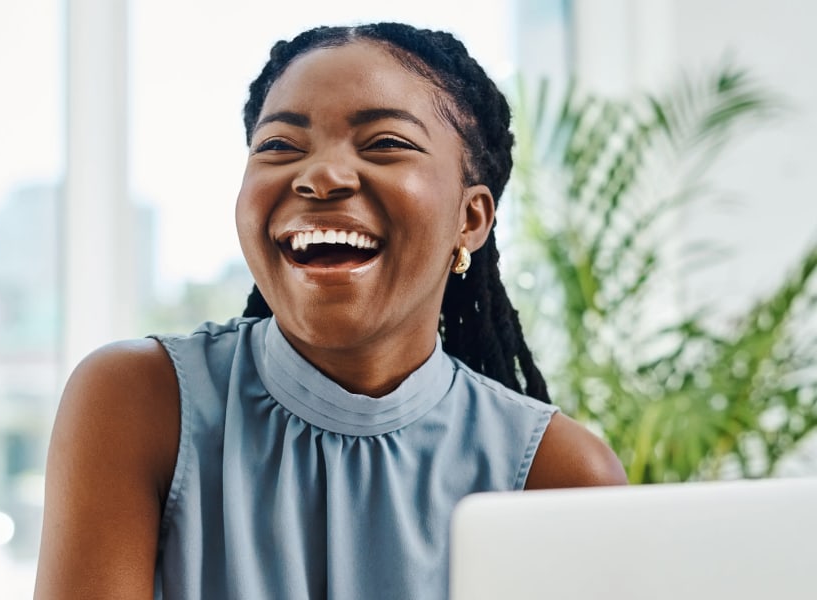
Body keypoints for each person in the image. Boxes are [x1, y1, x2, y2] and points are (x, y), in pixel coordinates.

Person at [35, 22, 626, 599]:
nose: (319, 176)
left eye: (385, 144)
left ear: (470, 220)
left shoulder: (559, 474)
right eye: (279, 146)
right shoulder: (137, 401)